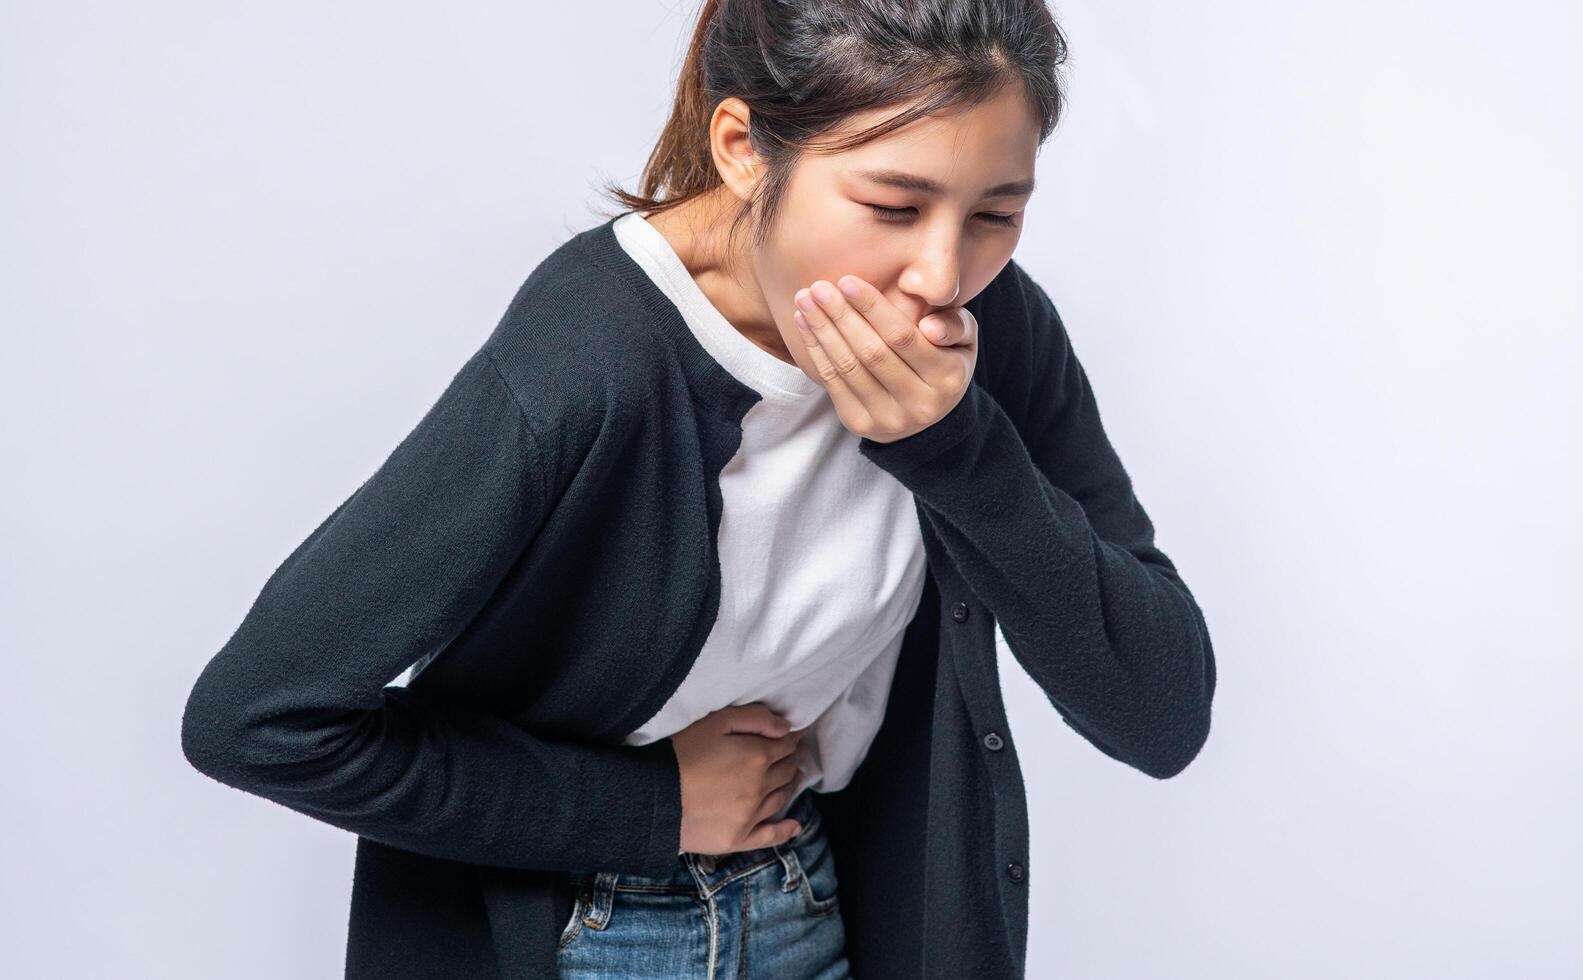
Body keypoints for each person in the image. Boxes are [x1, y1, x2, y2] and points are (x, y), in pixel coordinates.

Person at [180, 1, 1216, 977]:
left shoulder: (991, 341)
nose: (940, 276)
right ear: (740, 146)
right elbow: (257, 717)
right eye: (893, 206)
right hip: (583, 928)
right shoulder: (591, 363)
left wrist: (956, 451)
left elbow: (1158, 714)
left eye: (995, 213)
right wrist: (645, 806)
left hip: (817, 903)